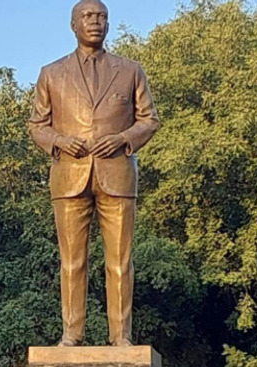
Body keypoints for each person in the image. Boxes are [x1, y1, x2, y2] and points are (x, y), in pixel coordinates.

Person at [28, 0, 160, 347]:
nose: (95, 21)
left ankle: (121, 337)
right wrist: (59, 141)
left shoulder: (130, 70)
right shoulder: (51, 73)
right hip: (69, 176)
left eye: (102, 16)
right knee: (72, 262)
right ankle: (71, 335)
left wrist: (123, 139)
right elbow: (37, 125)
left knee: (120, 262)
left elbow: (149, 120)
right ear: (74, 25)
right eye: (87, 16)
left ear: (108, 24)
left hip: (117, 174)